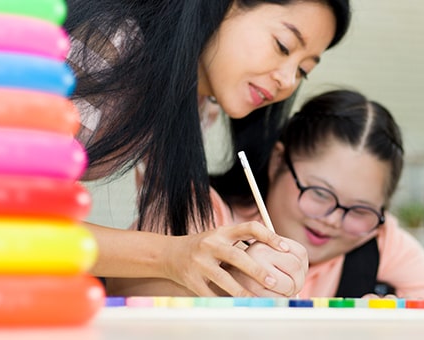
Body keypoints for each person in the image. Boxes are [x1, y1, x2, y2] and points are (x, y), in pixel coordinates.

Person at [65, 0, 350, 297]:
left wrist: (231, 275)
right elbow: (17, 226)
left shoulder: (199, 105)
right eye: (283, 45)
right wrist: (172, 255)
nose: (287, 80)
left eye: (303, 70)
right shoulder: (111, 45)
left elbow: (136, 282)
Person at [108, 90, 424, 300]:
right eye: (319, 193)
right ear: (277, 161)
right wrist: (232, 280)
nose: (333, 219)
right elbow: (122, 291)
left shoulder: (377, 238)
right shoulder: (203, 211)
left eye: (360, 209)